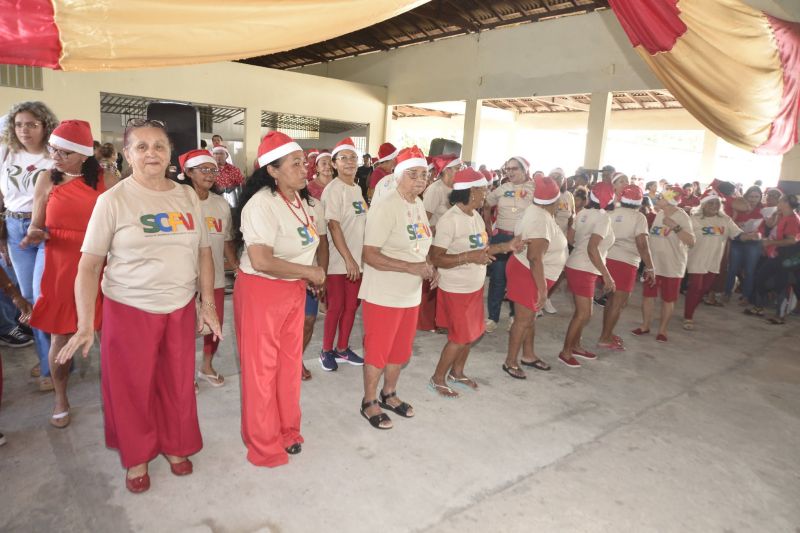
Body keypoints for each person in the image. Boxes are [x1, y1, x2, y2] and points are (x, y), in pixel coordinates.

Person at [57, 118, 221, 493]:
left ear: (170, 154)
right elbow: (88, 267)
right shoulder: (112, 200)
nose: (152, 153)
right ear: (127, 154)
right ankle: (137, 456)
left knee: (178, 383)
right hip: (130, 309)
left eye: (159, 146)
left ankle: (176, 446)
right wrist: (85, 323)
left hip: (178, 307)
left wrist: (206, 302)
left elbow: (203, 252)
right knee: (133, 388)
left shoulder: (184, 196)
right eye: (141, 147)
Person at [234, 131, 325, 465]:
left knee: (288, 366)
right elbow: (261, 260)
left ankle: (287, 430)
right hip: (262, 290)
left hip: (292, 289)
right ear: (272, 170)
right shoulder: (262, 204)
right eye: (296, 164)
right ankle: (263, 443)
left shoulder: (301, 201)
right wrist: (310, 273)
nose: (306, 170)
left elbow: (302, 246)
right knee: (262, 369)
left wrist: (308, 271)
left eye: (305, 163)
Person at [24, 120, 116, 428]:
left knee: (110, 337)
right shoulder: (45, 180)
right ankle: (61, 397)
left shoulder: (109, 181)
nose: (55, 156)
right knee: (60, 337)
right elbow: (37, 223)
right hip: (61, 265)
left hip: (100, 264)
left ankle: (119, 396)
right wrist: (35, 233)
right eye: (52, 149)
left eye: (63, 152)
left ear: (82, 155)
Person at [358, 146, 435, 429]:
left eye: (423, 174)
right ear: (398, 175)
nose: (419, 179)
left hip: (410, 294)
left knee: (400, 351)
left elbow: (419, 246)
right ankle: (369, 402)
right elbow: (370, 254)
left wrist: (428, 266)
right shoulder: (385, 206)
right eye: (412, 174)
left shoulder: (417, 205)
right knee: (378, 351)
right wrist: (410, 267)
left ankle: (389, 394)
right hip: (383, 294)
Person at [429, 168, 520, 394]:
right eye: (482, 190)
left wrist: (506, 247)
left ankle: (457, 372)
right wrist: (469, 257)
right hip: (455, 288)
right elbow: (436, 257)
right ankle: (437, 378)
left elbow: (483, 250)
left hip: (474, 287)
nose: (486, 194)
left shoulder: (476, 216)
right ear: (470, 192)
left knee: (471, 334)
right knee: (460, 337)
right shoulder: (451, 220)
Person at [0, 101, 58, 390]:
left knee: (44, 295)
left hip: (47, 231)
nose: (24, 130)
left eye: (32, 124)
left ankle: (52, 367)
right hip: (13, 228)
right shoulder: (6, 153)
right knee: (28, 299)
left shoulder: (54, 157)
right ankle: (47, 356)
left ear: (45, 126)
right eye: (19, 124)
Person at [179, 149, 238, 387]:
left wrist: (235, 266)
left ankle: (206, 366)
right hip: (182, 279)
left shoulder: (220, 204)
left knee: (214, 326)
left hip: (213, 278)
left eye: (213, 169)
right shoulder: (176, 200)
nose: (210, 174)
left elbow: (225, 240)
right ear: (189, 172)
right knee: (183, 331)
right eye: (204, 169)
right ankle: (184, 374)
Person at [501, 175, 567, 379]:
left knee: (529, 318)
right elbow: (534, 257)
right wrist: (543, 290)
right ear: (555, 201)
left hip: (529, 272)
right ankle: (510, 361)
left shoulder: (536, 211)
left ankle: (528, 355)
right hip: (528, 273)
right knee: (523, 320)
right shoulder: (540, 218)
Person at [319, 137, 367, 370]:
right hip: (339, 262)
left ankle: (342, 348)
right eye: (343, 158)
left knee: (351, 307)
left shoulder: (357, 189)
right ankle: (326, 350)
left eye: (353, 157)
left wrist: (359, 260)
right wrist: (348, 259)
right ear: (334, 164)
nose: (349, 162)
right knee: (336, 307)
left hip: (357, 262)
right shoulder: (333, 190)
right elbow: (333, 226)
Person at [559, 182, 615, 368]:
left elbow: (570, 239)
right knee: (584, 313)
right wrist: (607, 275)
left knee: (581, 312)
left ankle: (575, 346)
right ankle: (566, 352)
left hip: (576, 264)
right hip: (585, 268)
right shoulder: (603, 218)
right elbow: (593, 248)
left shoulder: (582, 213)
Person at [684, 192, 755, 329]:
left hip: (714, 260)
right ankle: (688, 317)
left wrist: (750, 236)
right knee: (695, 288)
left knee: (704, 289)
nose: (714, 206)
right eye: (711, 203)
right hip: (697, 259)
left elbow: (738, 235)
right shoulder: (694, 219)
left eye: (717, 203)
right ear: (703, 205)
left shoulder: (725, 219)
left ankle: (690, 309)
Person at [632, 186, 695, 342]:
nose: (658, 199)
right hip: (653, 265)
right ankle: (645, 325)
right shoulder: (659, 214)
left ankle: (662, 330)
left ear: (669, 201)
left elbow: (691, 241)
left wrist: (675, 226)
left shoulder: (682, 217)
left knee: (668, 299)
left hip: (672, 266)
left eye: (661, 198)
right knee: (648, 296)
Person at [597, 185, 654, 349]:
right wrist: (650, 266)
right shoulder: (639, 217)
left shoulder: (612, 212)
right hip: (626, 262)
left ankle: (606, 333)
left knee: (611, 300)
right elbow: (642, 244)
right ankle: (605, 338)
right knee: (619, 303)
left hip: (607, 259)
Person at [483, 156, 534, 333]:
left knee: (518, 281)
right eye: (508, 169)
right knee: (497, 279)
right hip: (501, 238)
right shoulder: (502, 188)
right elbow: (486, 204)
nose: (510, 172)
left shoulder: (534, 189)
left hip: (522, 241)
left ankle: (515, 316)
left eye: (514, 169)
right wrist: (488, 227)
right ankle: (492, 318)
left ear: (525, 169)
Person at [745, 193, 800, 323]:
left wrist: (771, 243)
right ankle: (759, 307)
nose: (778, 204)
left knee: (781, 284)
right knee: (760, 277)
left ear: (786, 203)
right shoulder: (784, 216)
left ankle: (779, 316)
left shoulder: (793, 219)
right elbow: (771, 226)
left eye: (780, 201)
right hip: (778, 255)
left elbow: (792, 241)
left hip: (786, 256)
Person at [725, 185, 764, 303]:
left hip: (753, 242)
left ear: (760, 197)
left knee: (749, 270)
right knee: (732, 268)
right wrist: (738, 223)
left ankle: (746, 296)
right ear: (746, 196)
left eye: (756, 197)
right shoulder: (739, 206)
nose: (753, 199)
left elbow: (763, 228)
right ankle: (727, 293)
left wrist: (757, 233)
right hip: (738, 240)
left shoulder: (763, 210)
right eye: (751, 196)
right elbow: (730, 221)